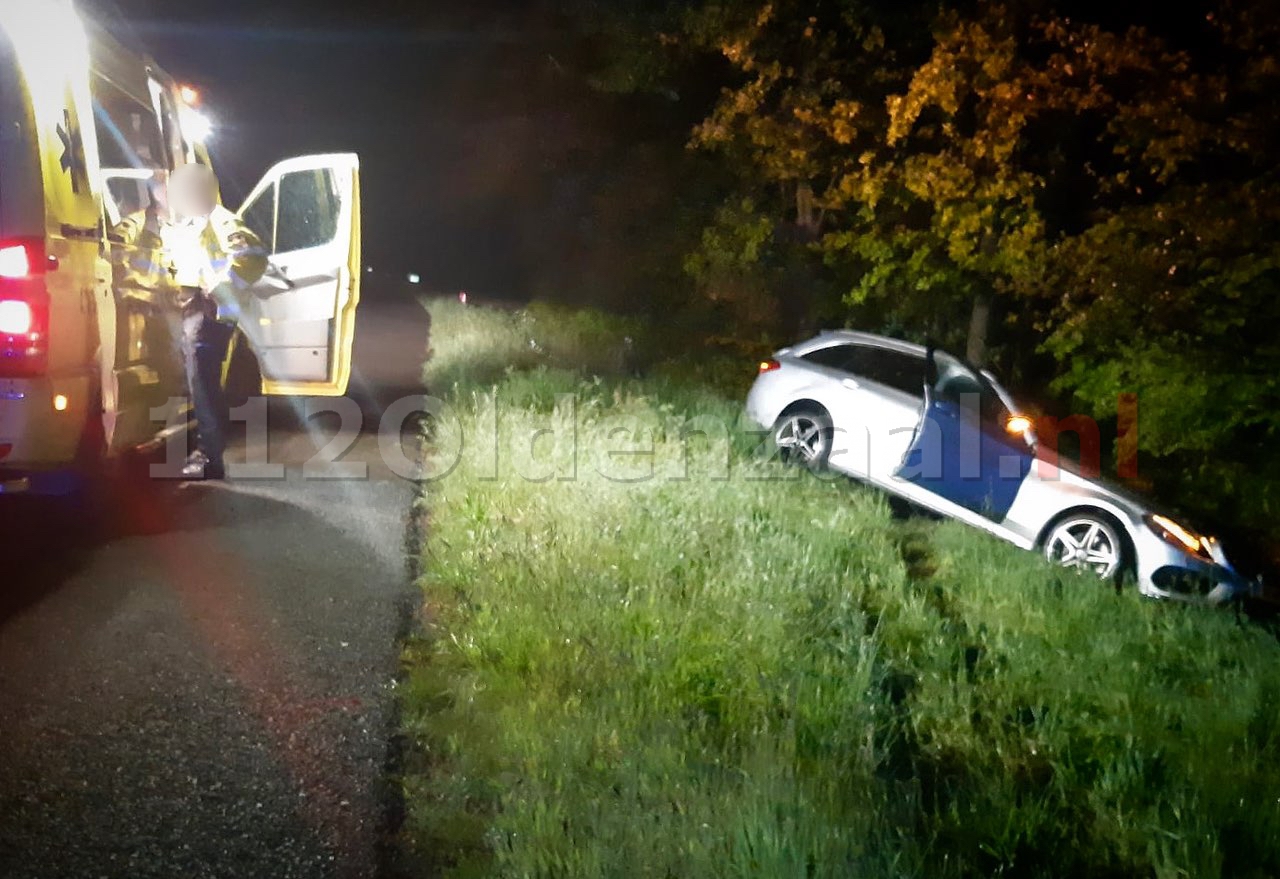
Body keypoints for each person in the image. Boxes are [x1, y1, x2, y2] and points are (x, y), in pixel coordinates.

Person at [165, 163, 268, 480]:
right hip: (197, 309)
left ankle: (210, 457)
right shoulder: (196, 222)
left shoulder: (222, 221)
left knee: (205, 386)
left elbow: (253, 257)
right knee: (202, 384)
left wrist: (221, 287)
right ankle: (206, 451)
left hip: (211, 314)